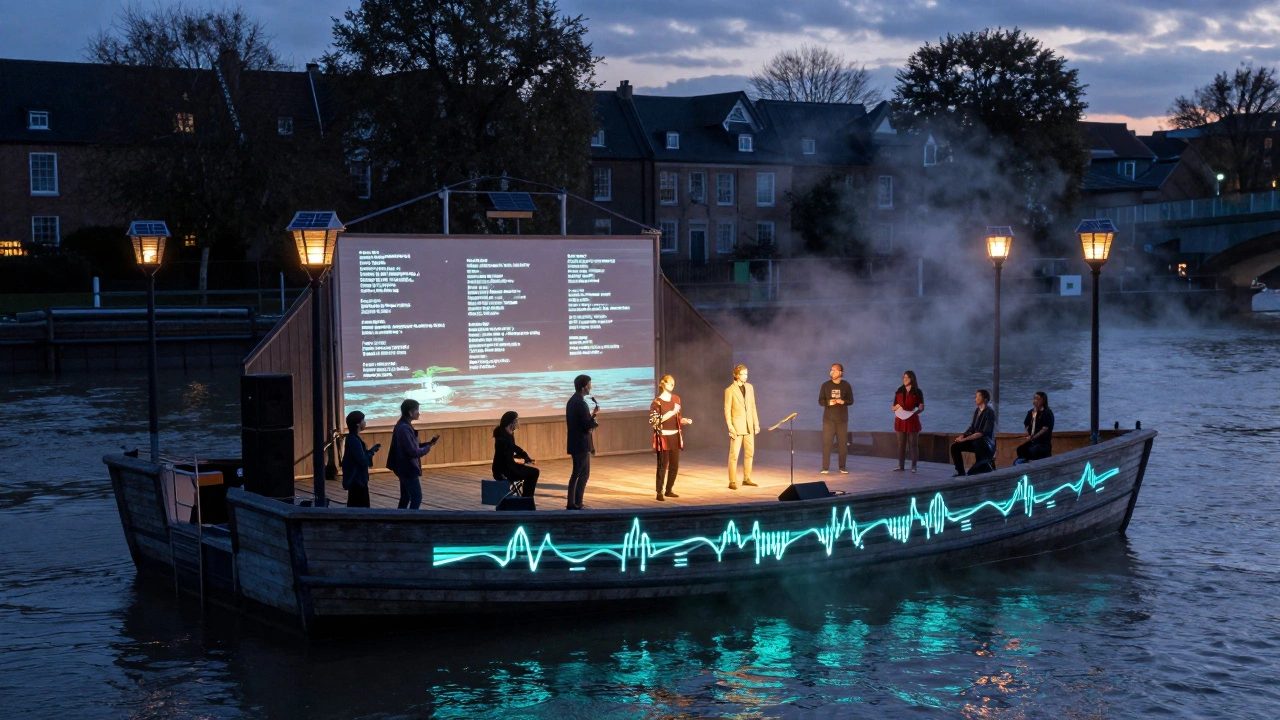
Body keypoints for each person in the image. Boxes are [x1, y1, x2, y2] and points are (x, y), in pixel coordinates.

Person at [385, 399, 440, 509]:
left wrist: (429, 443)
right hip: (407, 468)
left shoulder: (403, 425)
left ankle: (400, 521)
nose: (418, 413)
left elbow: (413, 447)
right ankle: (411, 520)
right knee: (416, 497)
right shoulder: (404, 428)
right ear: (410, 413)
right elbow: (413, 452)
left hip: (403, 467)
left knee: (405, 497)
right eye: (416, 410)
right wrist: (428, 447)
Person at [651, 374, 694, 502]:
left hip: (675, 435)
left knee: (674, 465)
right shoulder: (656, 402)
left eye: (673, 383)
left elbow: (677, 418)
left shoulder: (676, 399)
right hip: (663, 436)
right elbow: (655, 421)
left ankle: (669, 489)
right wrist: (671, 412)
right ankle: (659, 491)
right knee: (662, 465)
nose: (672, 385)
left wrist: (682, 421)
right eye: (670, 383)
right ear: (663, 384)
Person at [723, 364, 760, 490]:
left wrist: (756, 423)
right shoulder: (730, 390)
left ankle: (747, 478)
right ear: (737, 375)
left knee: (750, 453)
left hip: (749, 425)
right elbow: (727, 410)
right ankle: (732, 480)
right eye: (743, 374)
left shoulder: (749, 388)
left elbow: (753, 406)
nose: (746, 376)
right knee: (734, 455)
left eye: (746, 374)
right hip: (737, 427)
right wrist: (730, 426)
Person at [565, 374, 598, 510]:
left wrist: (592, 415)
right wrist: (594, 421)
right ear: (584, 387)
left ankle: (574, 503)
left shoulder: (572, 401)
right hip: (581, 444)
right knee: (581, 474)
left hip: (575, 442)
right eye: (590, 384)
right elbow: (587, 425)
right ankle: (575, 503)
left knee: (578, 473)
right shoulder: (581, 403)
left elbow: (581, 422)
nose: (591, 386)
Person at [950, 389, 997, 476]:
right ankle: (960, 472)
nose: (975, 398)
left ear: (985, 399)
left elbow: (981, 433)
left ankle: (986, 465)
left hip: (984, 444)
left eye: (977, 396)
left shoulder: (989, 413)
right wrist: (963, 436)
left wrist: (965, 439)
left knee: (975, 471)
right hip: (975, 441)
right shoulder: (977, 411)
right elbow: (972, 427)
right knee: (955, 446)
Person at [492, 411, 539, 497]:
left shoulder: (508, 434)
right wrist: (522, 461)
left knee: (534, 472)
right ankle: (527, 499)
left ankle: (527, 498)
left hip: (509, 466)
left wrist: (525, 457)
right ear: (511, 423)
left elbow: (514, 447)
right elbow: (507, 459)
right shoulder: (502, 438)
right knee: (533, 473)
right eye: (516, 421)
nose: (518, 423)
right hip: (503, 471)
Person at [818, 363, 854, 474]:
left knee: (842, 444)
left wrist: (843, 401)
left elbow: (851, 401)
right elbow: (820, 401)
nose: (831, 372)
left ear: (840, 372)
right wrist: (829, 402)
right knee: (827, 443)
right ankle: (825, 467)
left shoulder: (846, 385)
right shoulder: (825, 385)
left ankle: (842, 467)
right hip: (828, 419)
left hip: (842, 419)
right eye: (831, 370)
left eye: (834, 370)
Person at [340, 410, 380, 508]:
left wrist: (370, 451)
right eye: (363, 420)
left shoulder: (353, 438)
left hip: (357, 479)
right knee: (360, 507)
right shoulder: (353, 440)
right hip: (357, 480)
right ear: (358, 424)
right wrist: (370, 452)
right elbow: (362, 460)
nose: (365, 422)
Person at [892, 371, 924, 473]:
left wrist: (920, 409)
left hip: (911, 419)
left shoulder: (917, 392)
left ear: (912, 379)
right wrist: (896, 407)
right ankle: (900, 466)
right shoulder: (899, 390)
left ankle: (913, 466)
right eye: (903, 377)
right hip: (900, 419)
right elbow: (893, 406)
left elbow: (920, 408)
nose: (904, 379)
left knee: (913, 444)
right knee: (901, 444)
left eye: (907, 377)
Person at [1015, 392, 1055, 465]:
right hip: (1033, 441)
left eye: (1037, 399)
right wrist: (1028, 431)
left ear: (1043, 400)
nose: (1034, 401)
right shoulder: (1031, 412)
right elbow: (1026, 423)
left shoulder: (1047, 413)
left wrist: (1033, 437)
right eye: (1034, 398)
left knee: (1032, 451)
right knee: (1020, 450)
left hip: (1043, 443)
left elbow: (1044, 429)